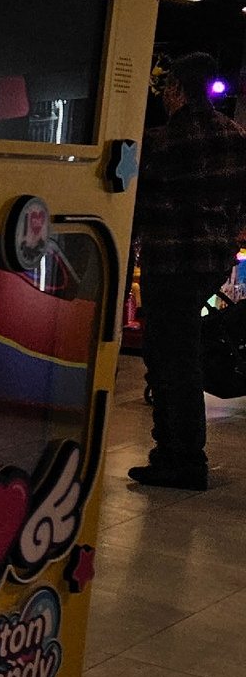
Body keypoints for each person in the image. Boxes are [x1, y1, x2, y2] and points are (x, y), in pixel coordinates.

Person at [130, 51, 246, 489]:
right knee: (183, 355)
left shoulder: (160, 142)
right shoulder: (236, 135)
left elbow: (136, 200)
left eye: (167, 88)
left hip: (169, 262)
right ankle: (179, 455)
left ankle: (181, 458)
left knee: (169, 360)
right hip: (211, 262)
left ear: (177, 88)